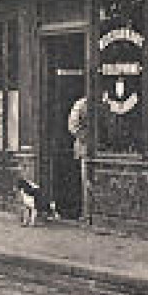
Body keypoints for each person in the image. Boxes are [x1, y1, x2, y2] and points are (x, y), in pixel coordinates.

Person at [67, 94, 93, 222]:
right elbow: (72, 126)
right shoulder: (81, 104)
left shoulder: (105, 101)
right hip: (85, 148)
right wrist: (87, 138)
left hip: (96, 149)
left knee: (87, 181)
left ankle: (89, 214)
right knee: (86, 181)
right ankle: (86, 213)